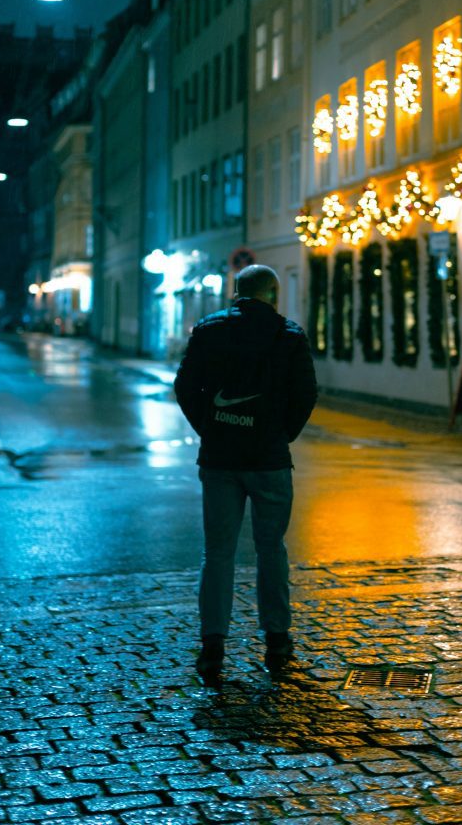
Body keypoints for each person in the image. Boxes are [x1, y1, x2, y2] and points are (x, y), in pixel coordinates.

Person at [174, 264, 317, 681]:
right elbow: (306, 393)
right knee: (271, 548)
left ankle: (212, 649)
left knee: (218, 552)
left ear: (237, 294)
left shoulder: (208, 331)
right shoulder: (289, 335)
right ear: (273, 294)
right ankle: (277, 643)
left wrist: (212, 427)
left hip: (220, 459)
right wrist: (279, 434)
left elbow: (185, 387)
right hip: (270, 460)